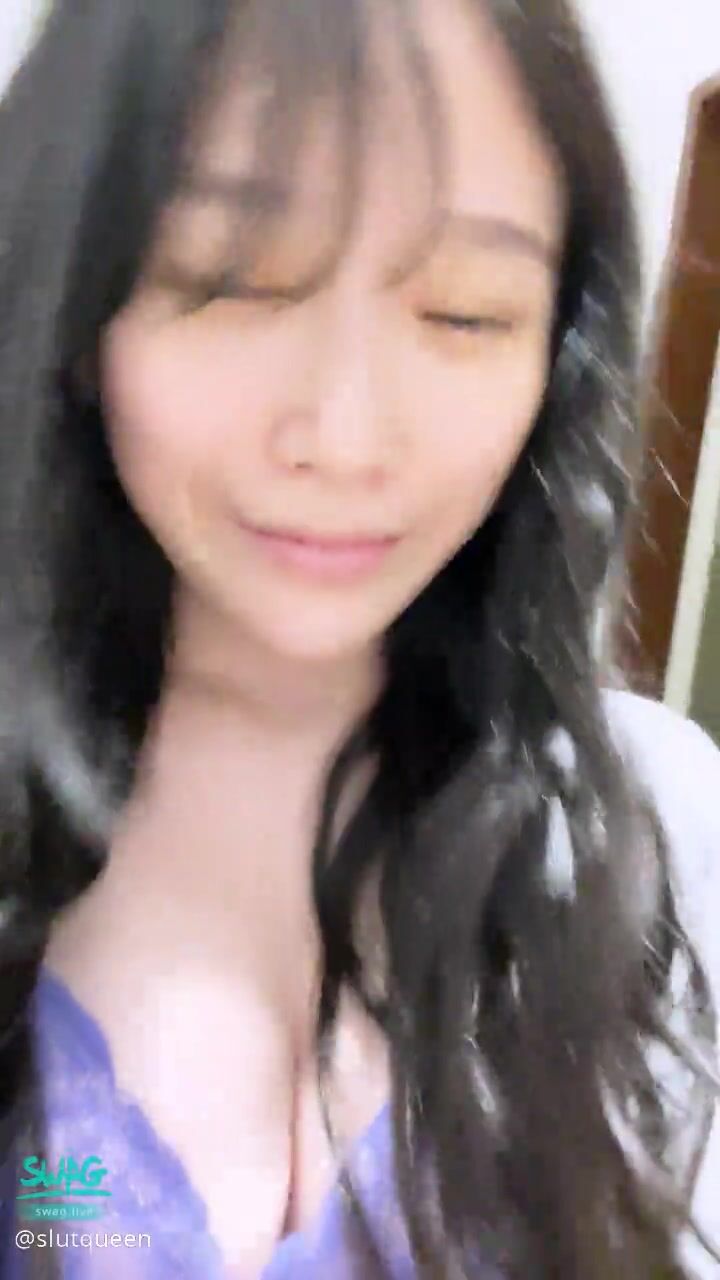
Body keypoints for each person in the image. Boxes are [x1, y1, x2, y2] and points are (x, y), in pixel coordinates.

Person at [0, 0, 717, 1276]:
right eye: (232, 283)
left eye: (465, 314)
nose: (344, 436)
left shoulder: (657, 846)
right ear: (72, 300)